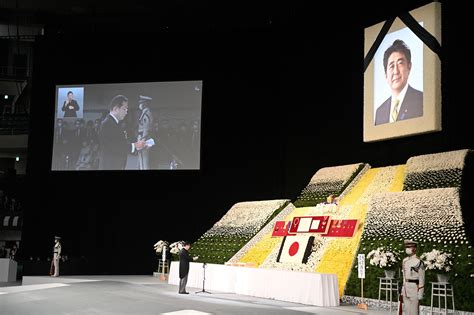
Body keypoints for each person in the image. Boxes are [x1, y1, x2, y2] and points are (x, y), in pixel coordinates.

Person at [375, 39, 423, 125]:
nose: (396, 71)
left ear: (409, 67)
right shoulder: (379, 112)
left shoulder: (421, 100)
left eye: (400, 63)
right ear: (386, 75)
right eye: (391, 66)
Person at [98, 95, 146, 170]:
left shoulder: (114, 123)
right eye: (124, 109)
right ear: (116, 109)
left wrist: (136, 145)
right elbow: (115, 146)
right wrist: (135, 146)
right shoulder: (107, 124)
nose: (126, 112)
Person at [401, 239, 425, 315]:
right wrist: (402, 289)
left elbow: (422, 278)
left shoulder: (419, 262)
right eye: (406, 247)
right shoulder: (405, 261)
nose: (407, 249)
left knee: (414, 312)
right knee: (407, 312)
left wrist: (420, 293)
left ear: (414, 249)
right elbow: (404, 277)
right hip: (406, 289)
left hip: (414, 288)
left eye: (409, 247)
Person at [137, 95, 154, 170]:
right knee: (142, 160)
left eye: (141, 102)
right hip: (144, 137)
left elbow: (146, 128)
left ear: (145, 103)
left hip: (144, 138)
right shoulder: (145, 112)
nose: (140, 104)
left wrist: (143, 140)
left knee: (144, 161)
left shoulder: (146, 113)